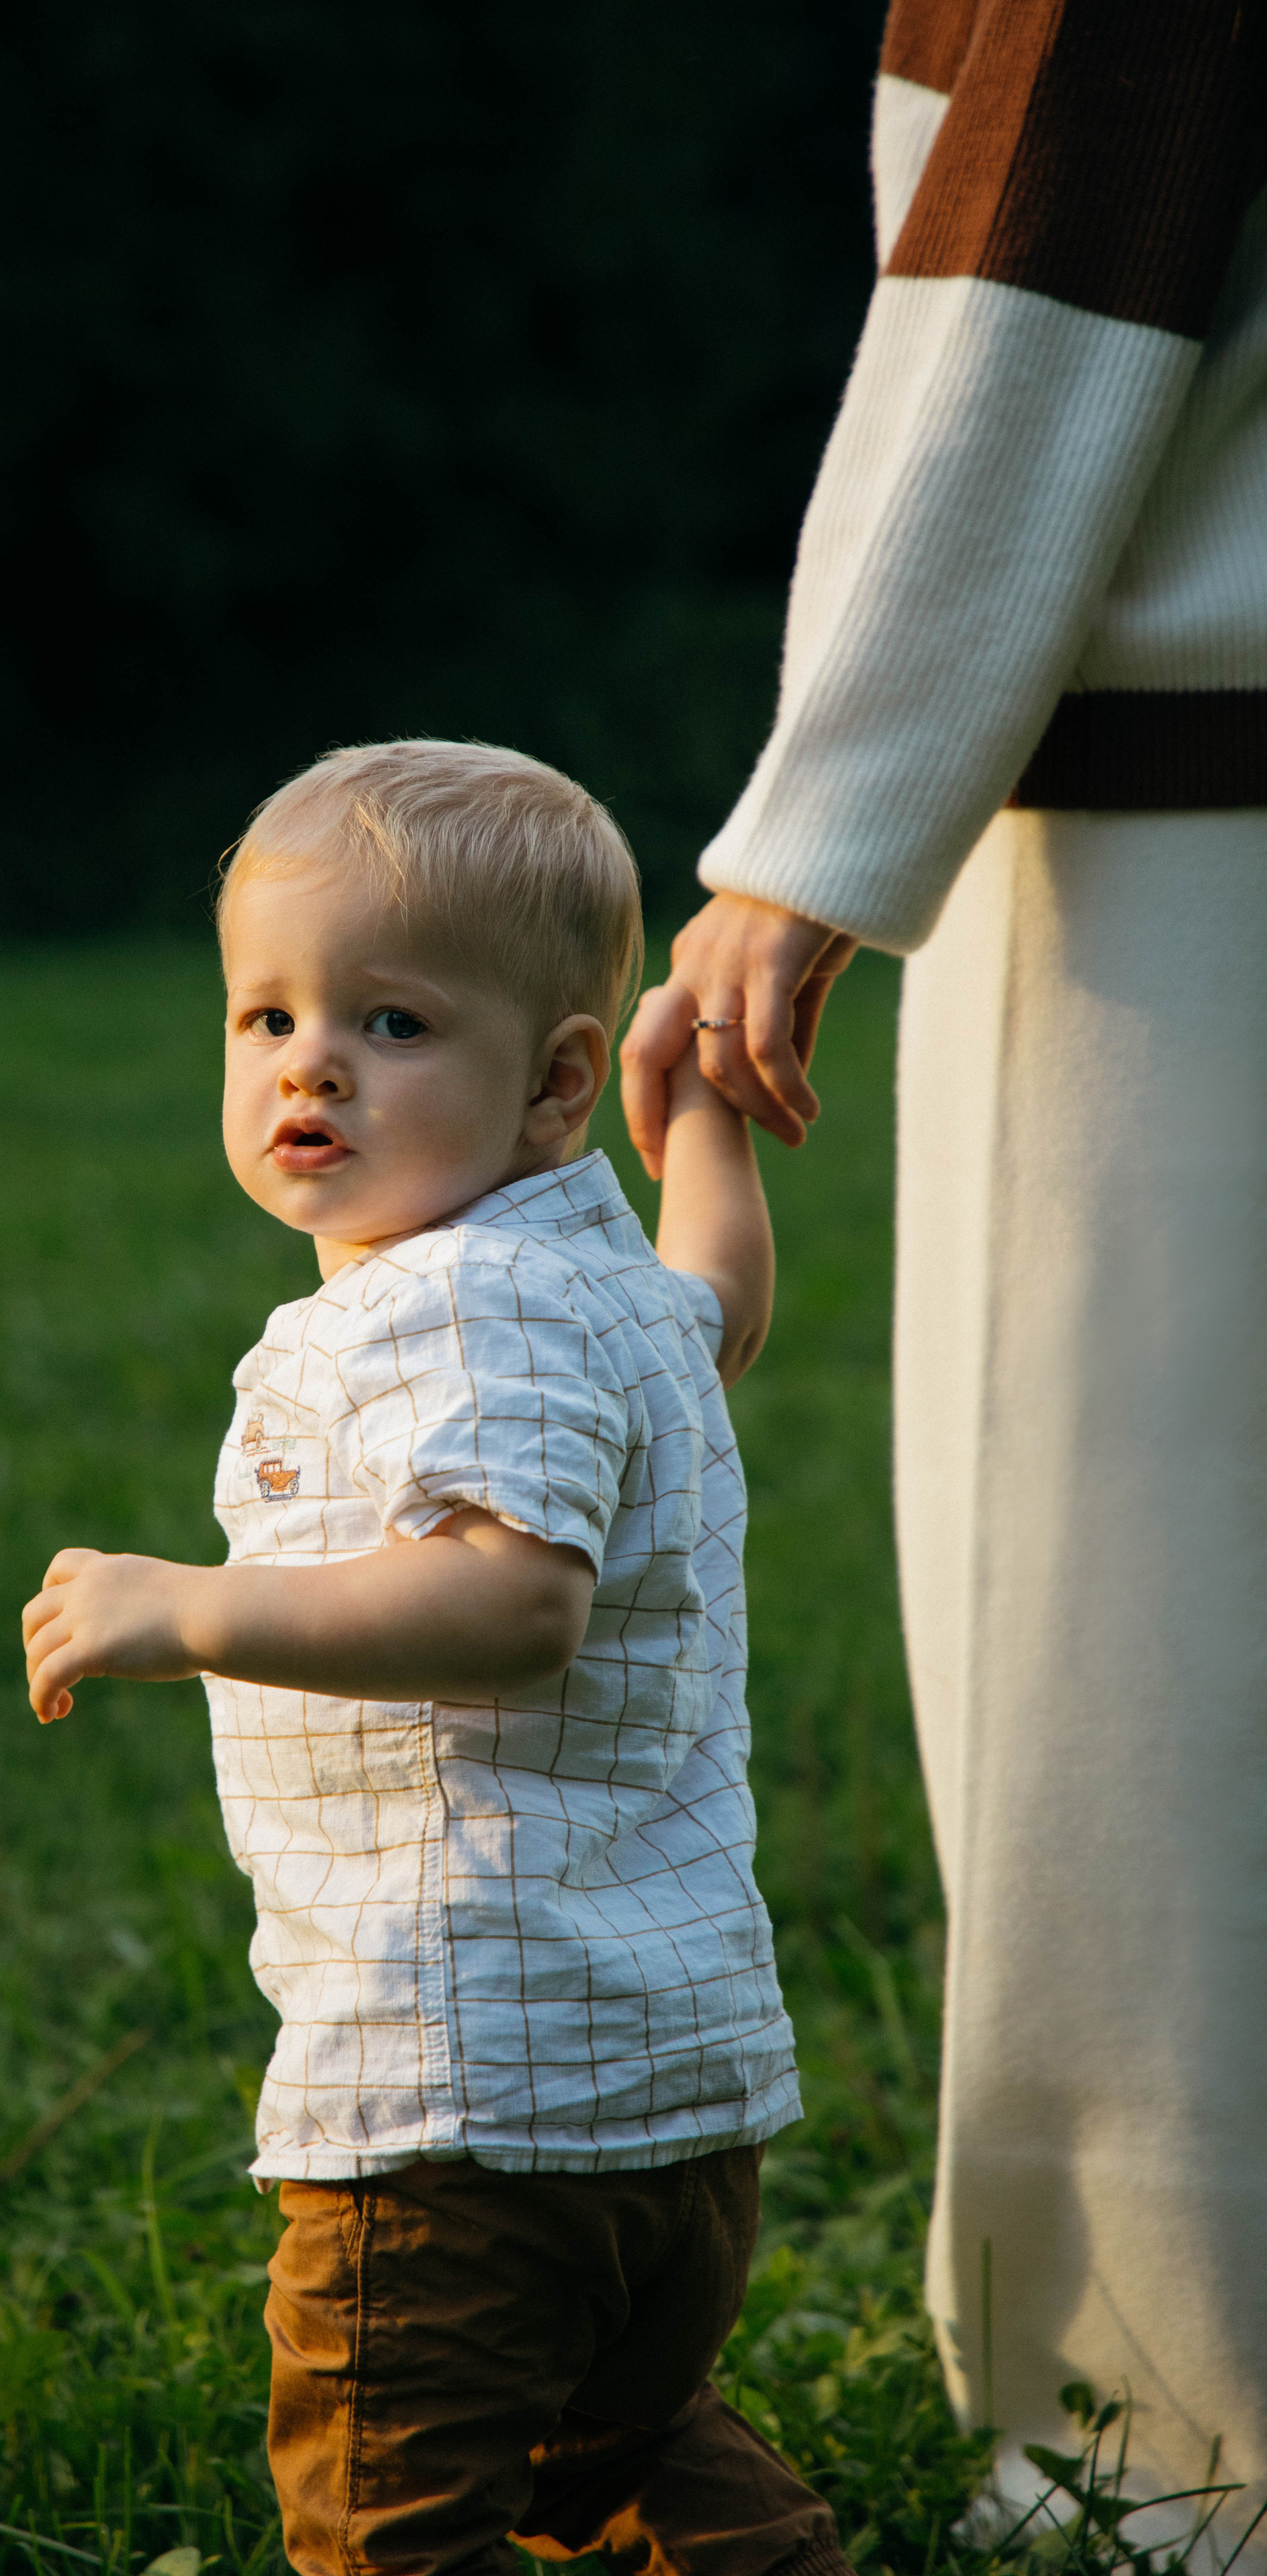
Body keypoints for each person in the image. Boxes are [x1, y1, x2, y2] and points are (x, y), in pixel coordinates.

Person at [622, 0, 1267, 2557]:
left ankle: (1165, 2448)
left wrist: (830, 811)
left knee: (1128, 1670)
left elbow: (1064, 260)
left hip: (1167, 859)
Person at [21, 739, 851, 2576]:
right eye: (264, 1018)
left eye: (391, 1021)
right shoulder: (595, 1282)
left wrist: (190, 1608)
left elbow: (512, 1600)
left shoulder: (455, 1310)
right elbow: (714, 1303)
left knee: (389, 2515)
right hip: (673, 2099)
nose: (309, 1062)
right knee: (629, 2448)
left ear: (552, 1080)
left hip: (458, 2097)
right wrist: (697, 1122)